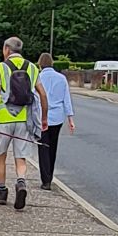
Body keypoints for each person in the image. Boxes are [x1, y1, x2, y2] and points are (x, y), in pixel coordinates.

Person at [0, 37, 48, 211]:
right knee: (20, 157)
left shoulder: (1, 67)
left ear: (7, 49)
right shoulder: (32, 67)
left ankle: (2, 191)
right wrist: (43, 119)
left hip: (4, 119)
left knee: (1, 156)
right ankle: (21, 182)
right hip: (24, 119)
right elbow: (42, 94)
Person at [36, 53, 75, 189]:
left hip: (42, 116)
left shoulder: (38, 77)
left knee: (43, 147)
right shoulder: (61, 78)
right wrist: (70, 118)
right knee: (53, 147)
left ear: (40, 64)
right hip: (58, 117)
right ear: (52, 63)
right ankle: (50, 176)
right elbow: (66, 99)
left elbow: (35, 99)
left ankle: (45, 179)